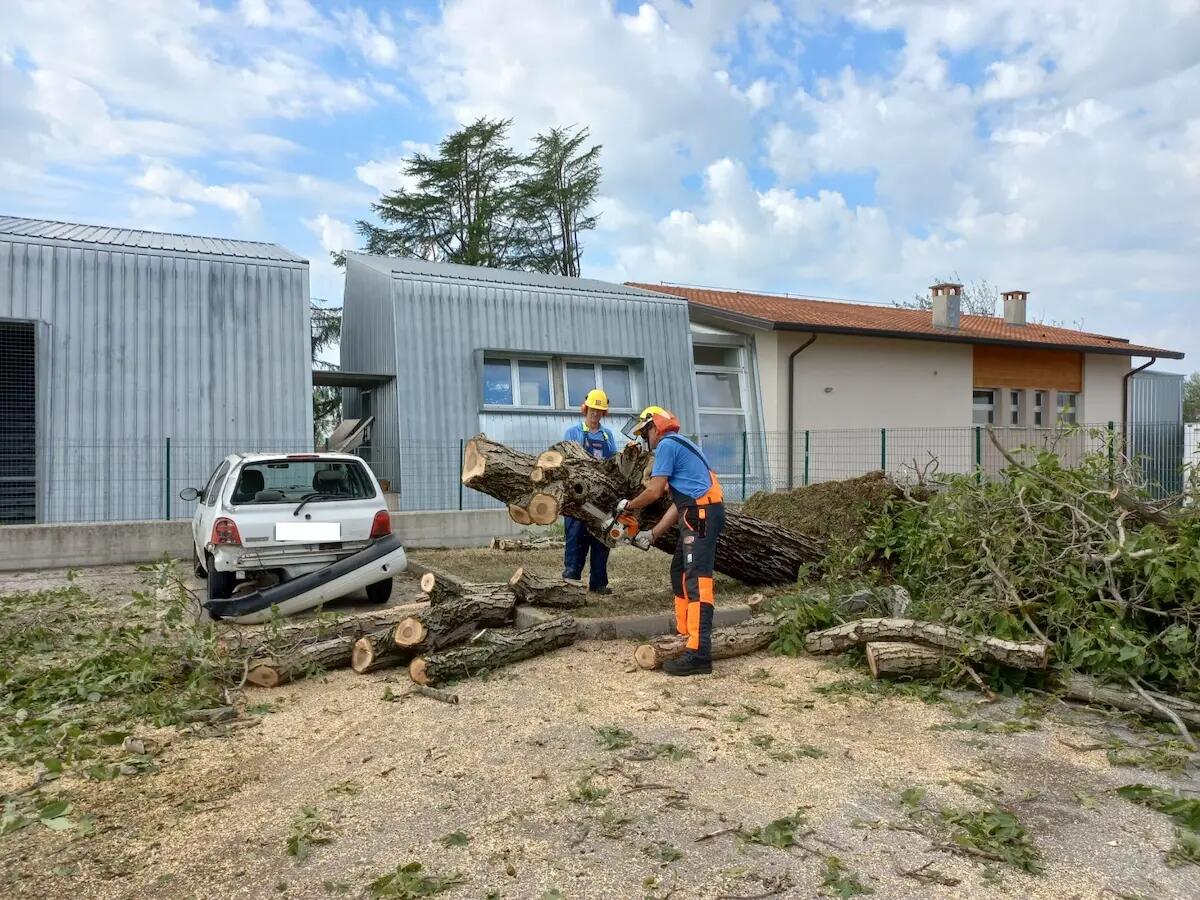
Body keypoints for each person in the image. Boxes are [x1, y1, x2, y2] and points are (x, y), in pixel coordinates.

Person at [621, 406, 725, 676]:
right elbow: (679, 504)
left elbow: (655, 492)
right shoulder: (681, 444)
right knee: (680, 570)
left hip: (701, 513)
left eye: (646, 433)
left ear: (655, 427)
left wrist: (628, 506)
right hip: (696, 510)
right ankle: (685, 635)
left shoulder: (668, 444)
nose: (647, 440)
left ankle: (699, 653)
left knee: (697, 580)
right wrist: (653, 533)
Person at [562, 389, 619, 594]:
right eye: (592, 410)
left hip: (600, 501)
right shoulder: (573, 432)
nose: (595, 414)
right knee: (575, 538)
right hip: (579, 499)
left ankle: (599, 583)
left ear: (603, 413)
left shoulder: (607, 435)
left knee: (600, 539)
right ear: (586, 409)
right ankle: (571, 580)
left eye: (599, 411)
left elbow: (613, 463)